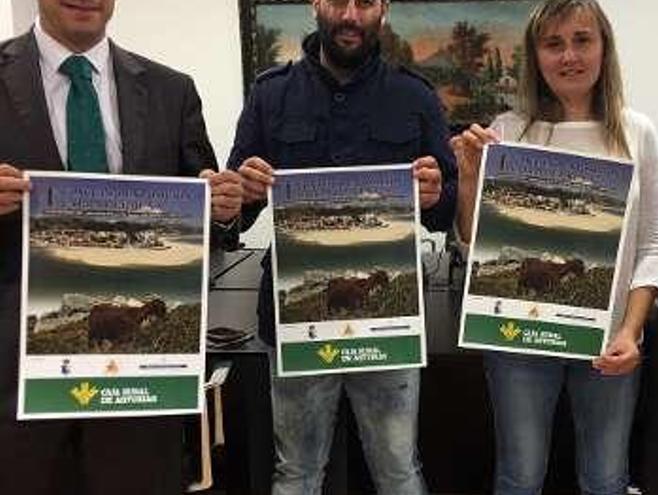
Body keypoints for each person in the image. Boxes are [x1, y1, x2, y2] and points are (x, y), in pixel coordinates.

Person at [0, 1, 242, 493]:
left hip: (141, 392)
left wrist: (224, 207)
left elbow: (210, 221)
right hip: (11, 389)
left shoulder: (172, 91)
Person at [227, 0, 457, 492]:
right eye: (337, 1)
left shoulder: (414, 96)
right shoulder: (271, 95)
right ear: (316, 5)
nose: (350, 14)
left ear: (383, 8)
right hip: (295, 322)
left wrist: (438, 193)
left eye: (366, 2)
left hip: (388, 322)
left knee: (398, 470)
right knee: (297, 472)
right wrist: (242, 191)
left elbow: (445, 211)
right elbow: (234, 213)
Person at [450, 0, 658, 493]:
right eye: (553, 44)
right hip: (516, 341)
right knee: (519, 478)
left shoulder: (638, 132)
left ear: (603, 48)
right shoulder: (507, 131)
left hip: (609, 343)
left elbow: (653, 245)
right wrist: (467, 179)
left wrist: (632, 331)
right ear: (536, 55)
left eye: (582, 40)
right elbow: (472, 245)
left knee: (607, 480)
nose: (569, 55)